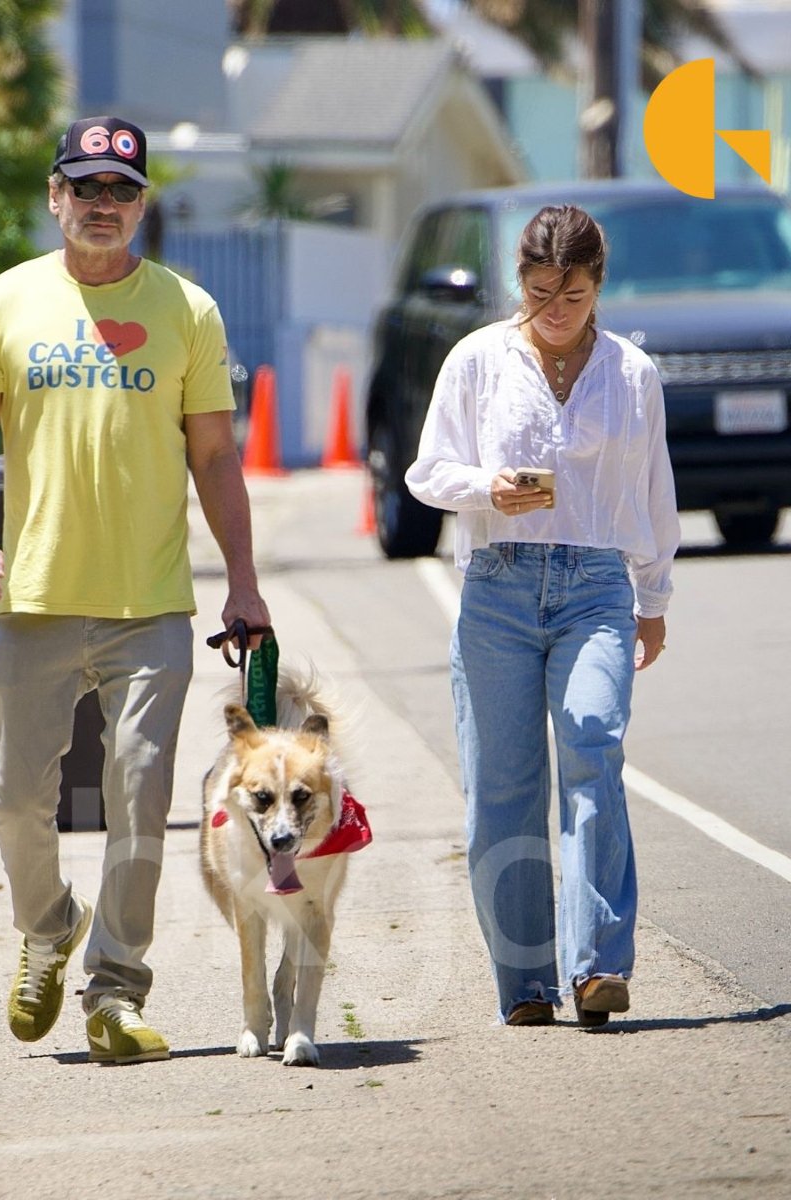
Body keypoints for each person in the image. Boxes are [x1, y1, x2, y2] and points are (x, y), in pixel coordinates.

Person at [0, 116, 271, 1062]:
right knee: (13, 798)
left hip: (149, 602)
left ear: (142, 205)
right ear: (56, 197)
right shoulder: (3, 302)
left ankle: (116, 990)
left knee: (139, 790)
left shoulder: (187, 310)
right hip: (33, 594)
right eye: (85, 187)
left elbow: (215, 455)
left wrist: (243, 582)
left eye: (122, 190)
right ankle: (48, 929)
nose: (103, 204)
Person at [405, 204, 679, 1027]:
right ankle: (526, 982)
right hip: (497, 585)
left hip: (597, 584)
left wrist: (654, 598)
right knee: (504, 785)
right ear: (517, 282)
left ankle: (597, 967)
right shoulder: (477, 359)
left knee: (592, 745)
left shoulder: (632, 372)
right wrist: (485, 487)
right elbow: (427, 470)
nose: (555, 312)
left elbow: (654, 491)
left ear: (599, 285)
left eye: (574, 295)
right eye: (538, 294)